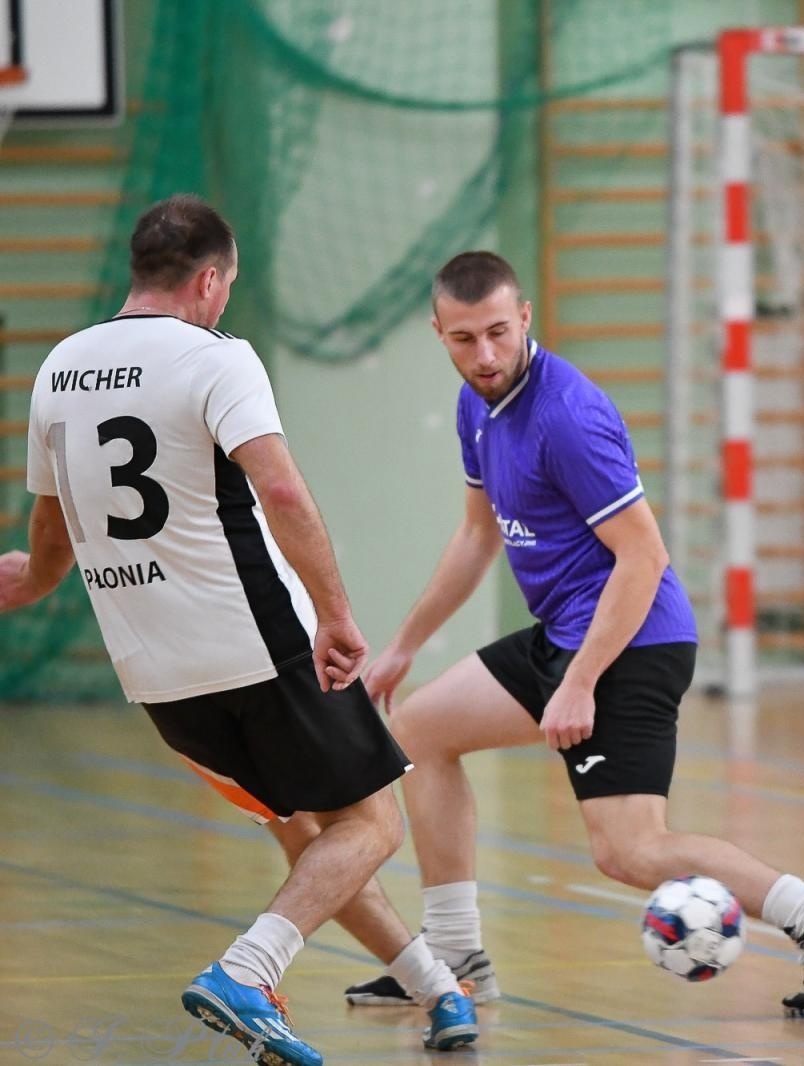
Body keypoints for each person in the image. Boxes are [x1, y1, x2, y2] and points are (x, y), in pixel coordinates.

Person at [339, 251, 804, 1019]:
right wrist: (402, 644)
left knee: (629, 851)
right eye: (465, 340)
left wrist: (581, 680)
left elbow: (644, 556)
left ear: (525, 317)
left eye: (498, 332)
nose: (485, 355)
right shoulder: (479, 405)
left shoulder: (567, 415)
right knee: (420, 730)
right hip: (565, 632)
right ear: (440, 334)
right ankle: (456, 956)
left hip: (631, 642)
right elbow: (476, 535)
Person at [0, 195, 476, 1063]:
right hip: (256, 646)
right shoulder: (216, 357)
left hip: (155, 679)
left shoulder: (57, 370)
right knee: (371, 828)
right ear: (210, 281)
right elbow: (284, 493)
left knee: (313, 843)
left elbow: (44, 550)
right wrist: (335, 615)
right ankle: (246, 975)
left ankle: (436, 990)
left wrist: (25, 583)